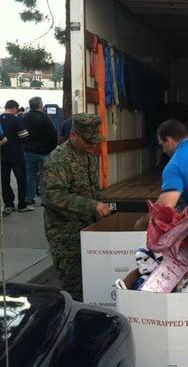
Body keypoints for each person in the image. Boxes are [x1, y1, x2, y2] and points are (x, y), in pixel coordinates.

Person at [44, 113, 111, 301]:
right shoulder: (59, 160)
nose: (93, 146)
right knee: (74, 289)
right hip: (65, 235)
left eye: (95, 141)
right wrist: (92, 205)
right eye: (89, 141)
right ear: (74, 135)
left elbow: (92, 190)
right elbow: (53, 197)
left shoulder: (88, 155)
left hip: (87, 229)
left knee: (92, 283)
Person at [23, 97, 58, 206]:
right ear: (40, 105)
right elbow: (53, 134)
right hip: (43, 152)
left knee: (30, 175)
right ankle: (44, 199)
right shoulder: (45, 118)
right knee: (44, 176)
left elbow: (21, 133)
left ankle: (29, 198)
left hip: (28, 152)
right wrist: (51, 148)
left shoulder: (25, 117)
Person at [1, 100, 33, 215]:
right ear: (14, 108)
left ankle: (8, 204)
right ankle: (22, 205)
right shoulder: (16, 120)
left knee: (5, 181)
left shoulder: (0, 119)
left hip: (2, 156)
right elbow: (24, 137)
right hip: (17, 155)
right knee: (21, 180)